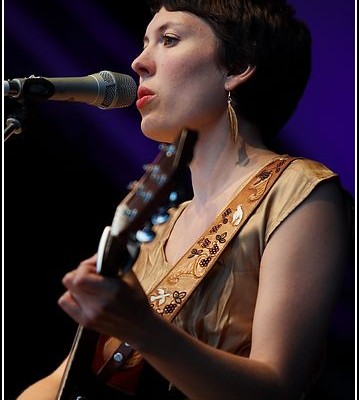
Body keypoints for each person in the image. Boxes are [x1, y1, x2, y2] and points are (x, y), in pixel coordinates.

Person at [16, 0, 351, 399]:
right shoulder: (154, 227)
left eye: (169, 39)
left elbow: (278, 387)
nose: (138, 61)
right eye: (144, 42)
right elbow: (61, 381)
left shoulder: (301, 189)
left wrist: (142, 326)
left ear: (236, 67)